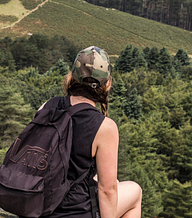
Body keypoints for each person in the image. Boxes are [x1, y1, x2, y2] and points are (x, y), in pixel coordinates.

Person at [45, 46, 142, 218]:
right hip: (70, 213)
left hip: (37, 205)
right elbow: (108, 191)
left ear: (72, 76)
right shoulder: (104, 126)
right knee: (134, 190)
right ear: (106, 83)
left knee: (114, 182)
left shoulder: (48, 106)